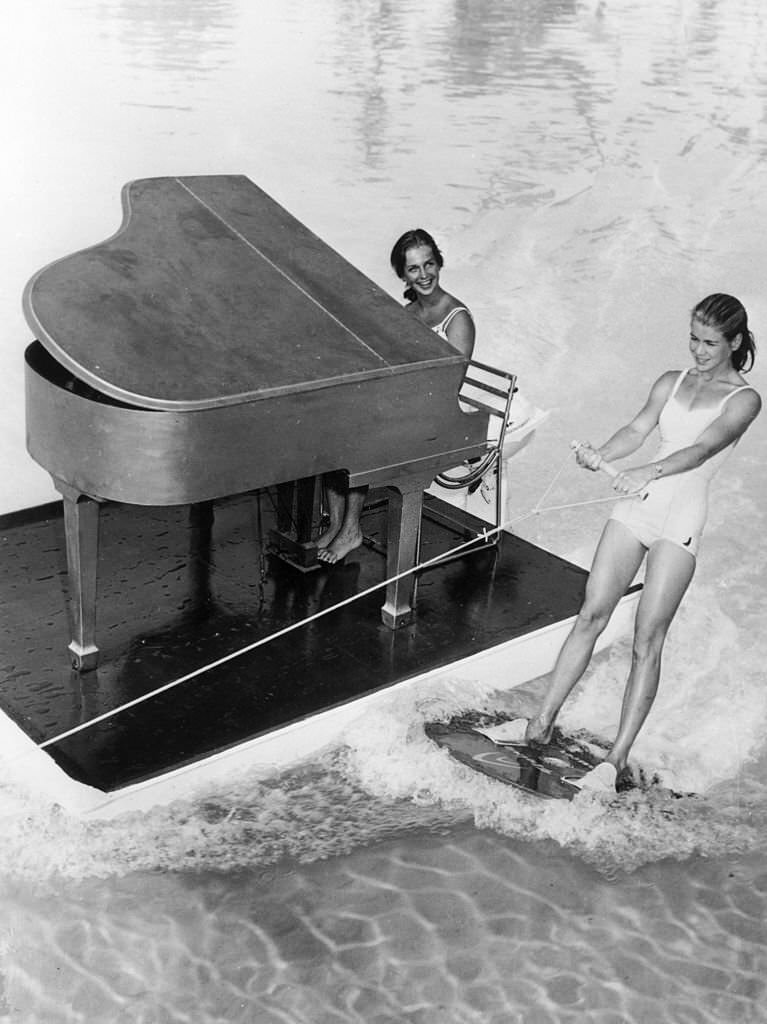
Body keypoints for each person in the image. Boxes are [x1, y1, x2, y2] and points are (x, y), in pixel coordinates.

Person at [519, 293, 761, 793]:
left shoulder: (745, 399)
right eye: (693, 339)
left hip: (680, 518)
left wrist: (646, 471)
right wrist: (601, 454)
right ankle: (539, 724)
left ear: (734, 343)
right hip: (638, 506)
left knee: (647, 640)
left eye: (710, 343)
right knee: (591, 613)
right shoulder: (671, 381)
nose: (697, 351)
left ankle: (615, 759)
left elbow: (700, 450)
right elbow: (637, 428)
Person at [316, 229, 475, 564]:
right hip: (407, 408)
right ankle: (336, 524)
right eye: (414, 268)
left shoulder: (456, 318)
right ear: (403, 274)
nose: (424, 274)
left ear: (439, 263)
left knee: (363, 437)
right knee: (332, 427)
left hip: (436, 417)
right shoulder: (408, 313)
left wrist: (393, 407)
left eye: (429, 264)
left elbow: (449, 388)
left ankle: (351, 530)